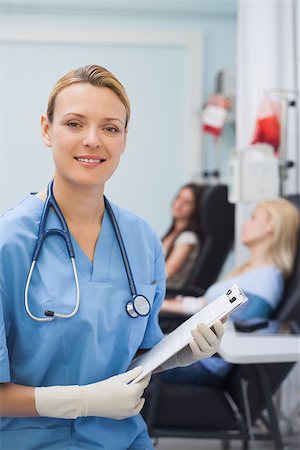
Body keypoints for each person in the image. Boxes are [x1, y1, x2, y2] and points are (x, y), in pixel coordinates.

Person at [0, 64, 225, 450]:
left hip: (123, 439)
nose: (93, 140)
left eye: (110, 128)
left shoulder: (142, 240)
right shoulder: (9, 242)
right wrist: (83, 401)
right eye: (74, 123)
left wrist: (178, 353)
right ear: (46, 129)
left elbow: (137, 355)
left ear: (123, 139)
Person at [160, 198, 299, 386]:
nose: (245, 224)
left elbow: (234, 327)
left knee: (121, 363)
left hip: (208, 362)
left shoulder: (266, 281)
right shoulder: (247, 270)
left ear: (271, 227)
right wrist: (160, 304)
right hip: (197, 349)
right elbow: (206, 306)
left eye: (253, 218)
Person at [162, 183, 206, 291]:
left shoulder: (187, 238)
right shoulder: (172, 233)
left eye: (187, 202)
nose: (179, 204)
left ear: (195, 208)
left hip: (167, 292)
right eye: (178, 198)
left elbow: (167, 272)